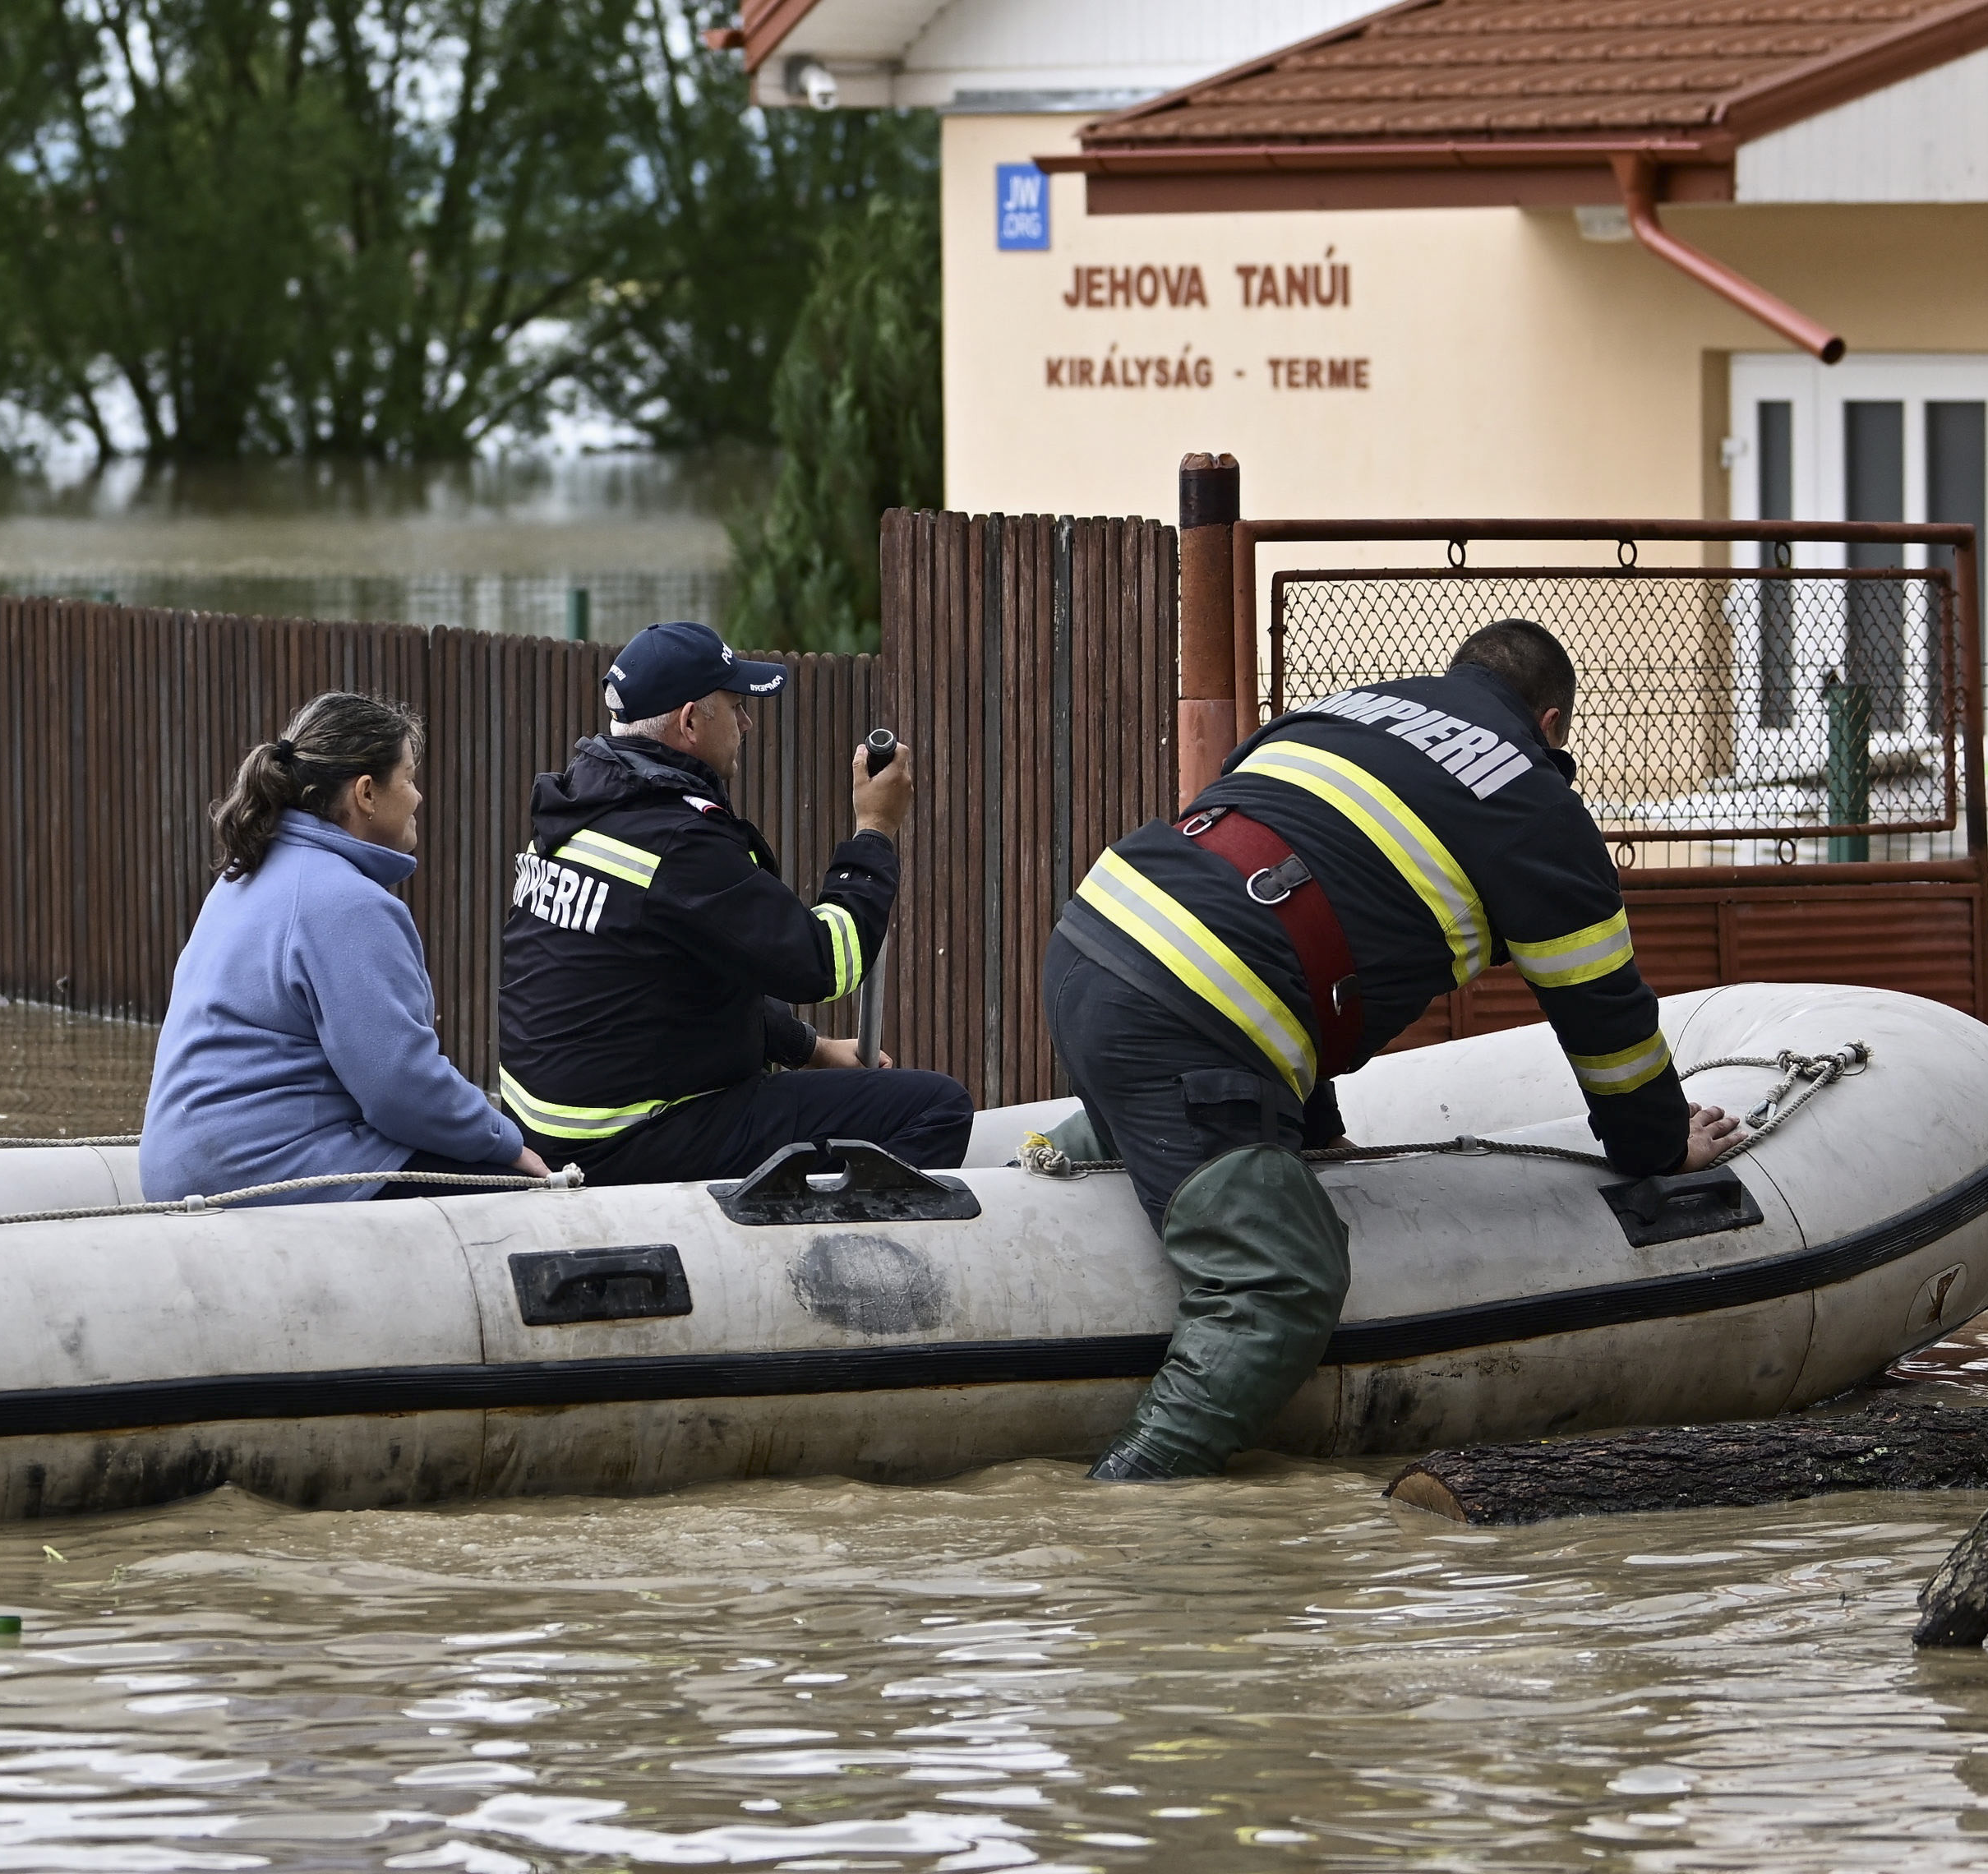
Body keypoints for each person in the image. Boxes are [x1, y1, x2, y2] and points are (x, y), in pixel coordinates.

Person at [1042, 615, 1745, 1481]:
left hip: (1091, 938)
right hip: (1194, 1011)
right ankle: (1129, 1503)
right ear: (1553, 726)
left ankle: (1032, 1165)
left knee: (1162, 1122)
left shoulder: (1341, 714)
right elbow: (1607, 1020)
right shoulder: (1534, 802)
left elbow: (1286, 895)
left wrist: (1308, 1125)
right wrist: (1659, 1143)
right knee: (1280, 1285)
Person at [496, 621, 969, 1184]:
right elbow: (825, 962)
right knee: (937, 1107)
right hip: (630, 1142)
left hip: (554, 1133)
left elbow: (675, 978)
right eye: (736, 706)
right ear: (691, 720)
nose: (746, 723)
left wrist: (808, 1048)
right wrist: (875, 830)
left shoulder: (579, 812)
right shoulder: (676, 840)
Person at [141, 690, 542, 1203]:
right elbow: (400, 1088)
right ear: (366, 793)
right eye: (410, 778)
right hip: (263, 1170)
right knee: (518, 1194)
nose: (418, 797)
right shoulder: (347, 903)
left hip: (187, 1167)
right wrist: (506, 1143)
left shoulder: (248, 871)